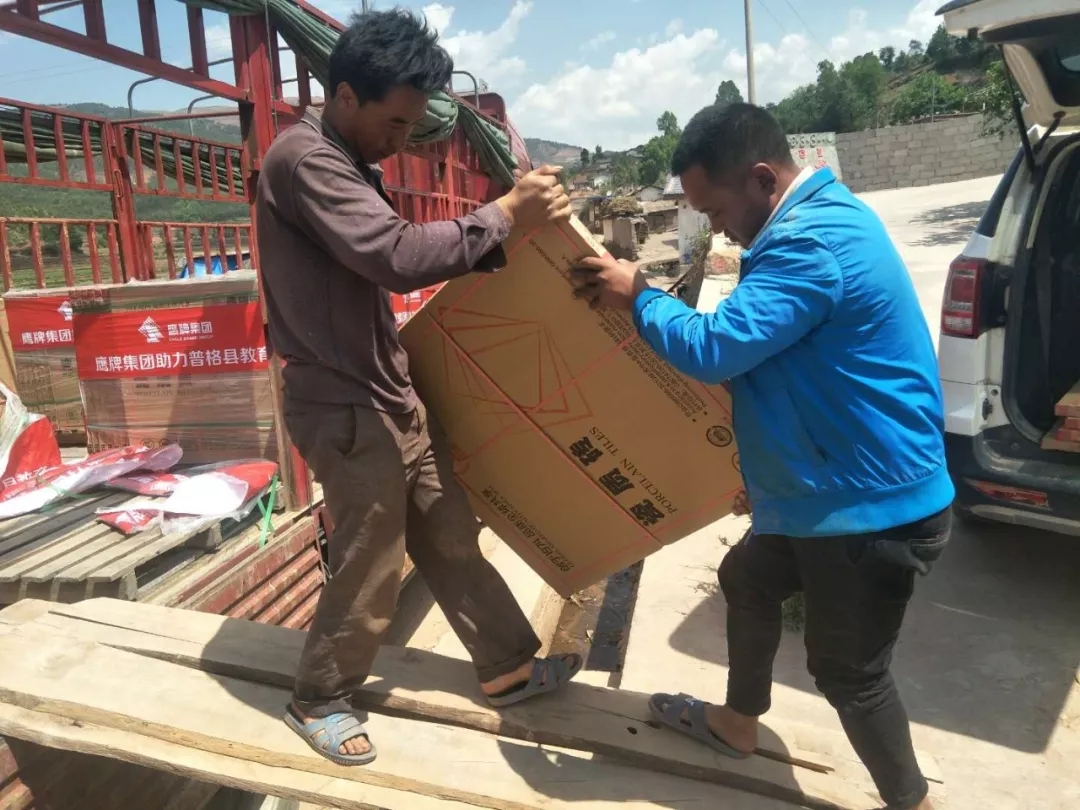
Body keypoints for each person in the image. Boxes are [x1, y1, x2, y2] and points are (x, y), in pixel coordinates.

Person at [571, 103, 953, 810]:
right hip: (829, 489)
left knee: (851, 674)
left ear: (762, 179)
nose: (716, 229)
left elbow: (717, 348)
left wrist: (639, 297)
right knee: (746, 578)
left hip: (867, 511)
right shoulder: (812, 224)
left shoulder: (810, 244)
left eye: (716, 211)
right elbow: (783, 368)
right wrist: (767, 477)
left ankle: (914, 803)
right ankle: (737, 723)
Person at [254, 9, 580, 767]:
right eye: (395, 122)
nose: (402, 140)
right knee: (372, 557)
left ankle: (507, 664)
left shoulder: (348, 156)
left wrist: (508, 230)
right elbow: (396, 255)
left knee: (449, 530)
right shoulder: (306, 161)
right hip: (345, 403)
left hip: (388, 391)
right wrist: (505, 213)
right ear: (344, 96)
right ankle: (320, 697)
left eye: (411, 124)